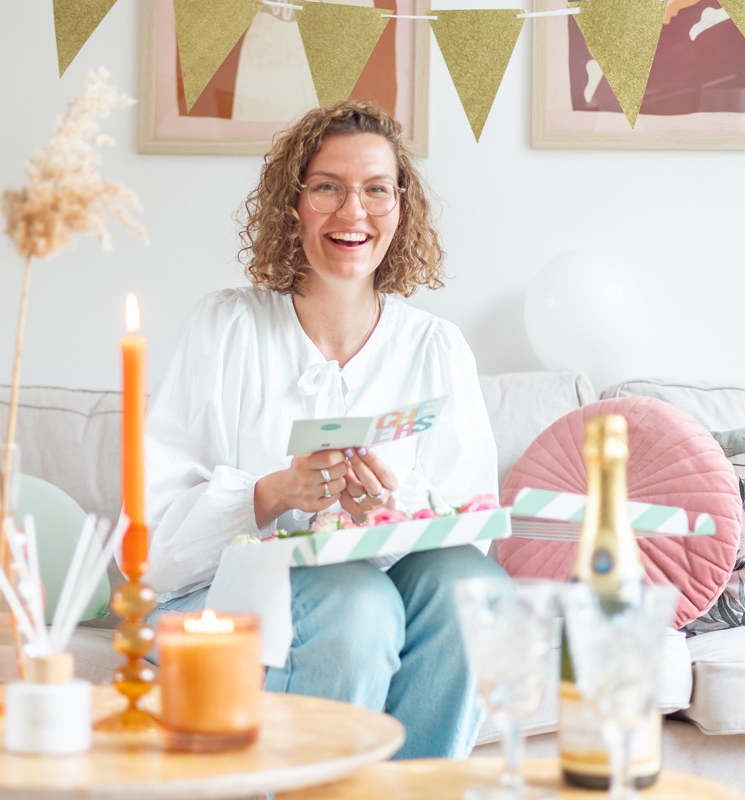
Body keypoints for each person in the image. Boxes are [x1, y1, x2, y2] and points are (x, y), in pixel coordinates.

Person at [144, 99, 507, 759]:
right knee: (353, 600)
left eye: (375, 190)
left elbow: (470, 536)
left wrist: (390, 508)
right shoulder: (226, 330)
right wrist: (275, 492)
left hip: (386, 589)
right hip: (223, 609)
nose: (353, 213)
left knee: (472, 587)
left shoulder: (436, 347)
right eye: (328, 188)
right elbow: (154, 555)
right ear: (293, 203)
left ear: (401, 206)